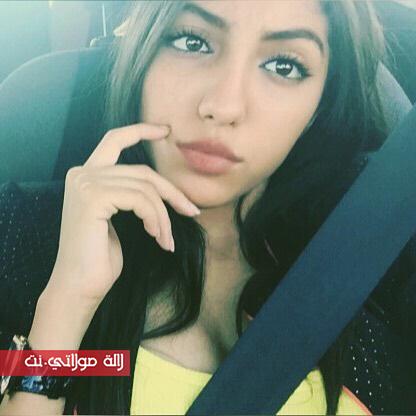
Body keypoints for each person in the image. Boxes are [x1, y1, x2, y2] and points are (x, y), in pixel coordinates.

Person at [0, 1, 415, 415]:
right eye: (192, 42)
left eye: (284, 66)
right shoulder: (21, 234)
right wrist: (66, 303)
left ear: (319, 106)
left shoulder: (382, 247)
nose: (224, 105)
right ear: (142, 49)